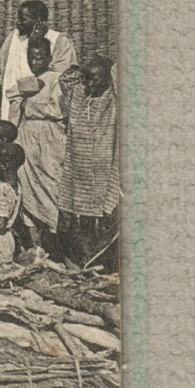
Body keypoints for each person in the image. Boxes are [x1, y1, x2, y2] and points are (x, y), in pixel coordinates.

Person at [59, 57, 119, 264]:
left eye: (95, 79)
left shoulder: (113, 100)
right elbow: (66, 78)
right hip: (78, 168)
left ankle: (99, 260)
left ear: (108, 79)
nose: (88, 83)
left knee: (103, 216)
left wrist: (110, 72)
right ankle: (84, 259)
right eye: (86, 79)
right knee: (80, 216)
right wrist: (84, 72)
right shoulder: (79, 95)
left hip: (102, 170)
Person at [14, 36, 67, 259]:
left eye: (39, 57)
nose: (34, 61)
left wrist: (33, 101)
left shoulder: (56, 80)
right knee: (26, 184)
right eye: (30, 57)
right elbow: (17, 109)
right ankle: (36, 247)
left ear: (49, 57)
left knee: (50, 185)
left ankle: (57, 244)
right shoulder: (28, 81)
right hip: (28, 136)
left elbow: (60, 110)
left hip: (49, 139)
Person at [0, 0, 78, 123]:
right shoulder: (13, 37)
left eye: (23, 19)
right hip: (12, 105)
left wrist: (35, 41)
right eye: (18, 18)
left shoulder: (59, 41)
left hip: (40, 114)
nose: (17, 22)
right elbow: (1, 66)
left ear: (40, 21)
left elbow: (62, 77)